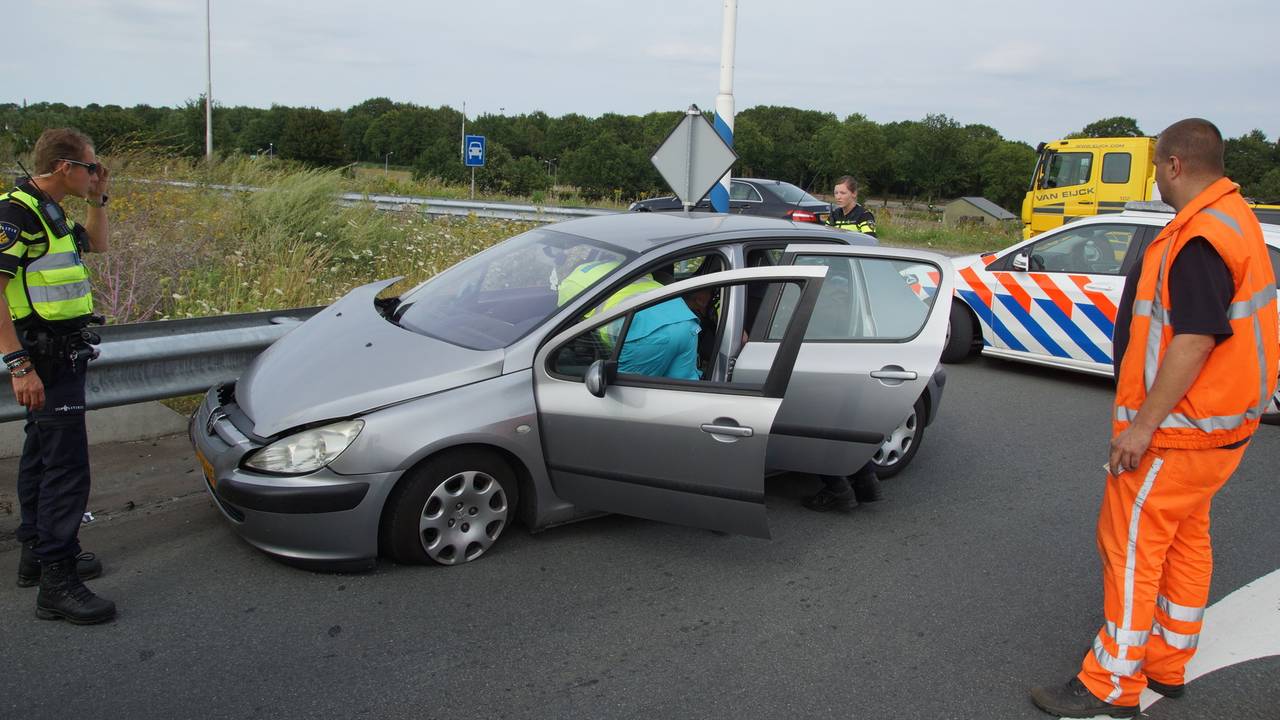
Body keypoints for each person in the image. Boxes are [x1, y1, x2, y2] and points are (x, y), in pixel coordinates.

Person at [1030, 119, 1278, 717]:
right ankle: (1167, 663)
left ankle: (1110, 684)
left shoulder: (1199, 236)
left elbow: (1193, 340)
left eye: (1157, 166)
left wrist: (1142, 426)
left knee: (1133, 550)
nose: (1156, 178)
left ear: (1174, 165)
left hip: (1177, 434)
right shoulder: (1237, 220)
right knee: (1187, 541)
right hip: (1221, 431)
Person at [1, 128, 114, 624]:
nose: (94, 173)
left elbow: (99, 245)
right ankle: (58, 580)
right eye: (90, 167)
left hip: (59, 353)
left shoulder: (49, 210)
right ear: (65, 166)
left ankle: (35, 554)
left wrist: (99, 198)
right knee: (67, 469)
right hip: (41, 357)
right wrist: (18, 365)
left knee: (42, 455)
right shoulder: (18, 213)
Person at [558, 261, 702, 380]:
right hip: (684, 318)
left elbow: (569, 324)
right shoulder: (613, 265)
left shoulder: (568, 285)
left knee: (628, 397)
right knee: (684, 390)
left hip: (644, 332)